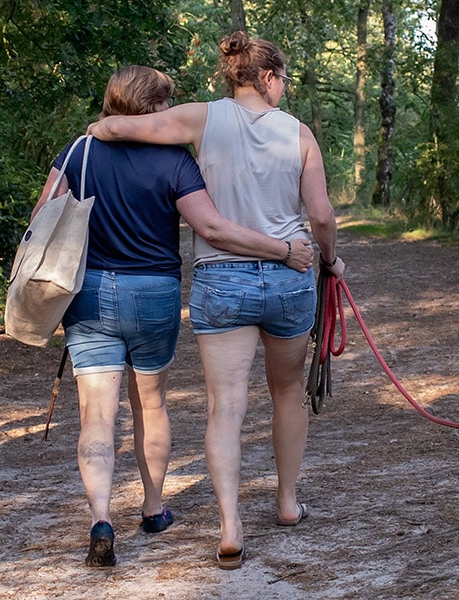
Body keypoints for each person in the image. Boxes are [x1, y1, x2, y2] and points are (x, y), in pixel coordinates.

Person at [36, 65, 313, 568]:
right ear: (149, 109)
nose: (168, 112)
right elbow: (211, 225)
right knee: (150, 403)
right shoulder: (175, 162)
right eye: (163, 104)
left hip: (90, 291)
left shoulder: (77, 152)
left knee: (97, 414)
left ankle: (101, 517)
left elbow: (42, 218)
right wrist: (281, 250)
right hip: (155, 292)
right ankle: (153, 507)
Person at [88, 32, 342, 570]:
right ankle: (287, 502)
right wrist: (330, 259)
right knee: (288, 392)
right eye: (284, 79)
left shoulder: (202, 118)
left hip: (221, 280)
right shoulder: (299, 134)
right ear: (269, 78)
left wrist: (101, 127)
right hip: (288, 275)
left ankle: (229, 525)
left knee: (225, 405)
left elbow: (124, 127)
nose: (284, 88)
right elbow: (320, 217)